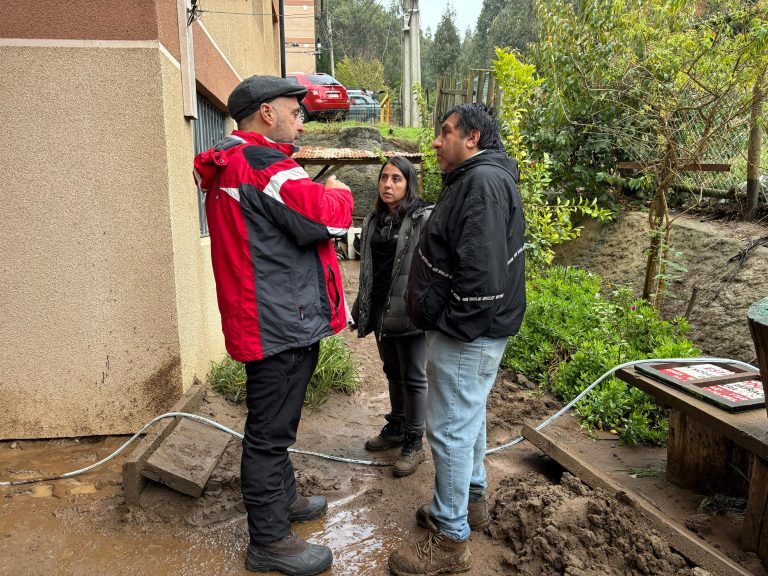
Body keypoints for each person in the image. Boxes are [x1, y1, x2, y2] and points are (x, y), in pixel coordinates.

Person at [193, 75, 354, 576]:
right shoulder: (262, 163)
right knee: (268, 433)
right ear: (267, 112)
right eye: (294, 109)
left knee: (275, 424)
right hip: (278, 323)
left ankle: (282, 503)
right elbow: (327, 220)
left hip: (267, 317)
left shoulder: (232, 162)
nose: (300, 119)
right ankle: (269, 541)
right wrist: (339, 190)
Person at [389, 103, 526, 576]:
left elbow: (483, 276)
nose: (434, 142)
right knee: (467, 420)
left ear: (472, 138)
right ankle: (470, 502)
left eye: (443, 132)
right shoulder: (480, 180)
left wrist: (453, 325)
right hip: (476, 332)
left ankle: (450, 540)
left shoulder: (482, 184)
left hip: (469, 334)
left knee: (447, 429)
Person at [351, 156, 432, 477]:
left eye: (396, 179)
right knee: (392, 370)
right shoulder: (373, 220)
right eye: (384, 178)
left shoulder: (423, 217)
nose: (388, 184)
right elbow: (369, 267)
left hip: (411, 309)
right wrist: (362, 306)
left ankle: (415, 441)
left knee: (413, 375)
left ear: (408, 183)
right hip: (382, 307)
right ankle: (397, 425)